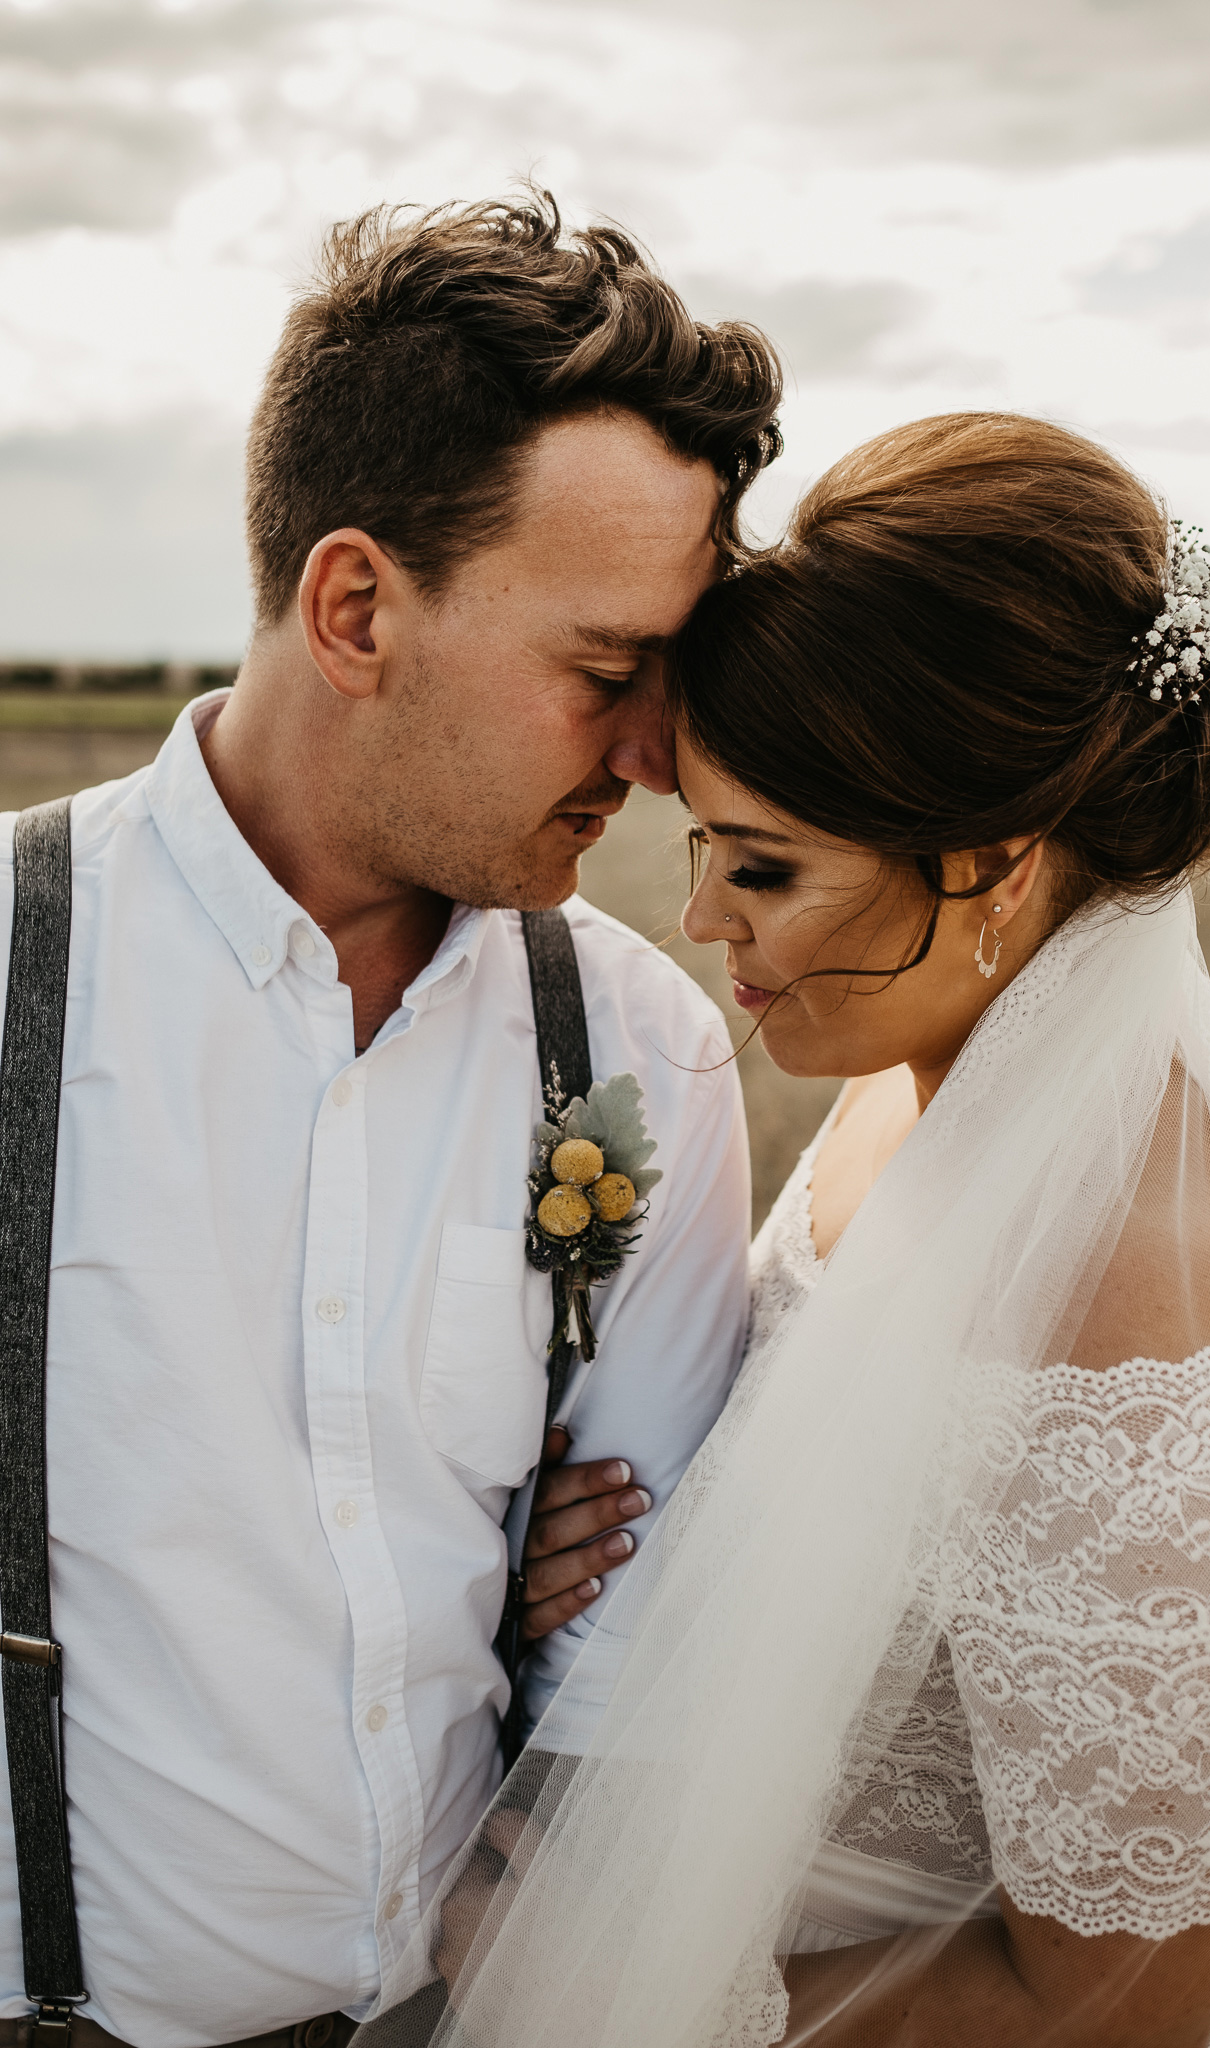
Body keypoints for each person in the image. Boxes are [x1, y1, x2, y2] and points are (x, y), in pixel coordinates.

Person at [379, 414, 1210, 2048]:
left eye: (759, 866)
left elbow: (1119, 2008)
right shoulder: (941, 1077)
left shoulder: (1152, 1333)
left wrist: (612, 1996)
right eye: (702, 845)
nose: (698, 920)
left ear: (987, 867)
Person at [0, 195, 784, 2048]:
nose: (655, 757)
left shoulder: (641, 1052)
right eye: (605, 671)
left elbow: (623, 1647)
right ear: (356, 607)